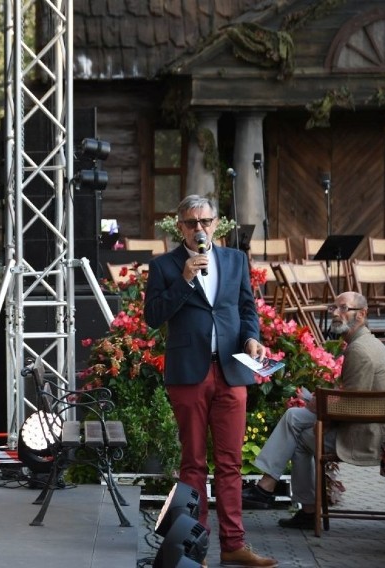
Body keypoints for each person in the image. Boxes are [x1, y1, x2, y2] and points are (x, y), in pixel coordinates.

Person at [145, 194, 277, 567]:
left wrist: (252, 338)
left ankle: (234, 545)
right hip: (189, 373)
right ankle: (193, 549)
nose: (199, 229)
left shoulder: (235, 260)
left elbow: (247, 309)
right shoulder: (166, 266)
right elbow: (153, 316)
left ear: (217, 224)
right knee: (193, 463)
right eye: (191, 223)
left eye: (205, 222)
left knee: (231, 463)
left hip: (232, 371)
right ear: (180, 226)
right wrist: (185, 280)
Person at [241, 291, 385, 527]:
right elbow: (355, 397)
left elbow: (355, 406)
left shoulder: (360, 350)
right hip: (371, 424)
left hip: (369, 435)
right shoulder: (363, 343)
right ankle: (277, 493)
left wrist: (322, 407)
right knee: (295, 419)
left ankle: (284, 498)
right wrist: (321, 402)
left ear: (362, 314)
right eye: (333, 308)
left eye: (344, 308)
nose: (336, 314)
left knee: (301, 436)